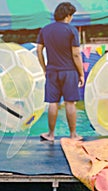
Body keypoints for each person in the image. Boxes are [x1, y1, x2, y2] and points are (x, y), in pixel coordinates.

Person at [36, 2, 84, 142]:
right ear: (68, 16)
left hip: (52, 71)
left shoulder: (45, 30)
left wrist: (44, 68)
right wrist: (81, 73)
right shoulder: (71, 30)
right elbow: (76, 54)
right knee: (70, 103)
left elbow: (39, 50)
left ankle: (51, 135)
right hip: (69, 72)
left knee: (53, 103)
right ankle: (73, 135)